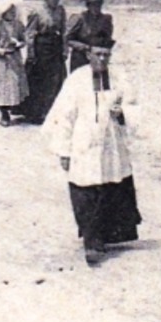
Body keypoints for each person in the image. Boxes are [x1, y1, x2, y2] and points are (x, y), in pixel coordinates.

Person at [45, 41, 141, 265]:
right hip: (84, 144)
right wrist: (64, 150)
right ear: (88, 54)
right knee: (86, 189)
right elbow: (64, 115)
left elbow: (133, 104)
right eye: (98, 54)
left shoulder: (119, 78)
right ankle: (91, 240)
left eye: (106, 55)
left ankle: (108, 234)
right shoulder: (77, 80)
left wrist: (123, 113)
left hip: (111, 144)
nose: (102, 59)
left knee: (111, 186)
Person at [65, 0, 112, 72]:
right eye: (94, 4)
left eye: (99, 3)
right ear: (88, 5)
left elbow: (107, 38)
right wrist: (85, 47)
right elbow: (67, 39)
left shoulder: (106, 20)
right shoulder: (79, 19)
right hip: (81, 58)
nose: (97, 7)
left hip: (99, 57)